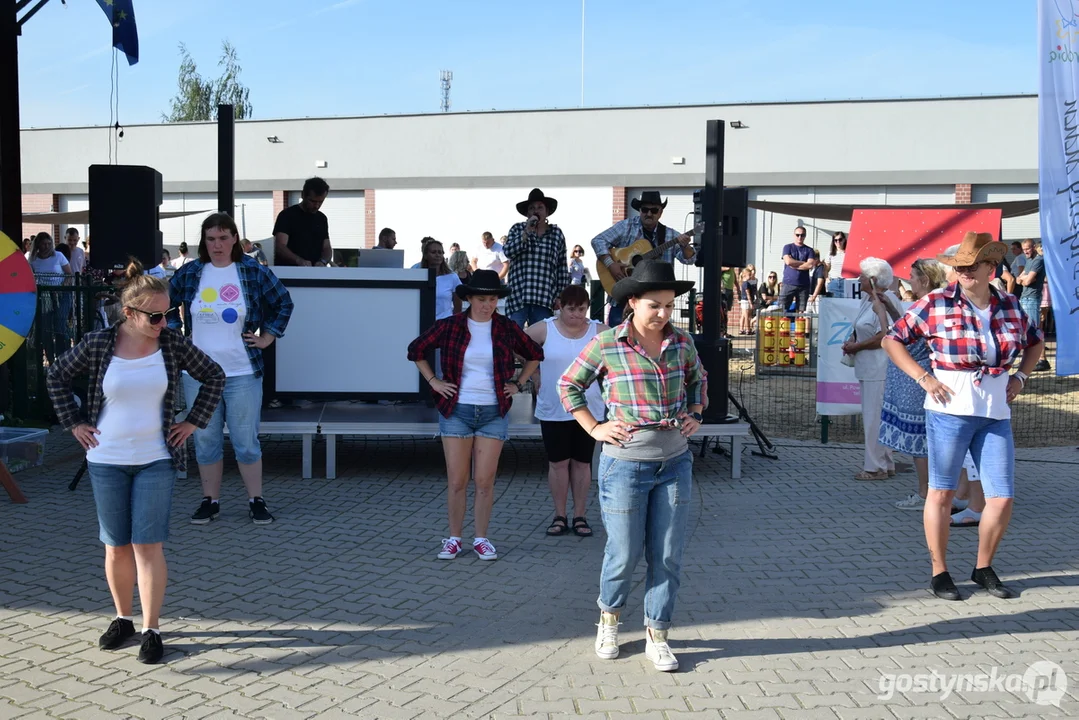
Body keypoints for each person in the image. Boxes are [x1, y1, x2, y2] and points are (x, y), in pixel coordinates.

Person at [46, 259, 225, 664]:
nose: (165, 322)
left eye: (170, 313)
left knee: (148, 545)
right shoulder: (98, 343)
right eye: (156, 316)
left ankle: (151, 627)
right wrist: (73, 423)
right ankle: (122, 618)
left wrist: (193, 422)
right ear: (129, 313)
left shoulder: (172, 344)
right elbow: (55, 375)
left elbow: (214, 376)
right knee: (116, 546)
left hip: (156, 460)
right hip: (105, 460)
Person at [559, 260, 706, 673]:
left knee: (667, 555)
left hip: (675, 463)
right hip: (624, 464)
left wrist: (696, 409)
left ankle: (657, 635)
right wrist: (594, 427)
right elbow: (568, 384)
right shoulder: (607, 343)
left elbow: (700, 379)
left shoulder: (683, 343)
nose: (662, 314)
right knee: (624, 553)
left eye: (668, 306)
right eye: (654, 305)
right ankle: (608, 621)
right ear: (632, 303)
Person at [883, 231, 1044, 601]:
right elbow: (893, 339)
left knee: (1001, 497)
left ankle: (983, 567)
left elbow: (1034, 341)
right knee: (941, 493)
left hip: (994, 413)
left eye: (972, 266)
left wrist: (1020, 376)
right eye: (959, 267)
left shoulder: (1009, 305)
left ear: (991, 267)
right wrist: (923, 377)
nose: (965, 272)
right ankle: (940, 571)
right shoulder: (936, 302)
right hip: (948, 412)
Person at [406, 270, 544, 561]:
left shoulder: (505, 327)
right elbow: (416, 350)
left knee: (485, 481)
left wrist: (519, 384)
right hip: (456, 410)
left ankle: (481, 538)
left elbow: (534, 354)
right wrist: (434, 381)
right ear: (468, 298)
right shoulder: (451, 326)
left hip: (494, 411)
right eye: (482, 299)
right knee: (457, 481)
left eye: (493, 299)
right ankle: (454, 538)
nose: (487, 305)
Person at [170, 212, 294, 526]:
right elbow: (165, 305)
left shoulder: (252, 270)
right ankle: (210, 501)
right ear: (204, 242)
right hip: (199, 374)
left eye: (223, 238)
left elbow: (283, 302)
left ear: (234, 238)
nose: (217, 245)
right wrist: (176, 340)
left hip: (241, 371)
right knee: (206, 439)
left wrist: (268, 337)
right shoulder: (191, 272)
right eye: (211, 239)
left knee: (245, 440)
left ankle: (256, 499)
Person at [526, 285, 608, 539]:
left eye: (582, 309)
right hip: (553, 407)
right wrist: (533, 373)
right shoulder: (544, 328)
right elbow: (516, 344)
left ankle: (580, 514)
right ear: (560, 305)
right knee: (558, 463)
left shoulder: (599, 331)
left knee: (583, 463)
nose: (576, 314)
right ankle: (559, 515)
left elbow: (623, 352)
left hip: (589, 408)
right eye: (571, 309)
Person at [876, 258, 949, 510]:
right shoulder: (932, 304)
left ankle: (925, 493)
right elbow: (909, 330)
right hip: (918, 381)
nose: (910, 281)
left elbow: (900, 339)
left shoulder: (927, 305)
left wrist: (883, 314)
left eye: (913, 277)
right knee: (926, 441)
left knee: (921, 442)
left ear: (925, 279)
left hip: (918, 383)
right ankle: (933, 492)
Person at [591, 191, 696, 326]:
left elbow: (689, 259)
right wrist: (611, 264)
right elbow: (598, 241)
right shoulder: (626, 226)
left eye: (654, 210)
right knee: (617, 340)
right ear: (639, 211)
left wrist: (685, 245)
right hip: (623, 298)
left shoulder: (670, 235)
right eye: (645, 209)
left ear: (660, 213)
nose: (649, 214)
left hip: (656, 302)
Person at [841, 257, 901, 481]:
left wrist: (857, 346)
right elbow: (864, 328)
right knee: (877, 417)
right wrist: (853, 341)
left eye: (863, 275)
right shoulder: (868, 299)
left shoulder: (886, 299)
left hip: (880, 367)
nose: (859, 278)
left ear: (874, 279)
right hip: (870, 367)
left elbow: (885, 336)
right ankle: (885, 462)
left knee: (873, 418)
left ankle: (874, 467)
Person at [504, 189, 571, 328]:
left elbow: (562, 268)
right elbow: (508, 251)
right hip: (518, 297)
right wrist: (527, 231)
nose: (536, 210)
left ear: (547, 212)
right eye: (532, 208)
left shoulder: (556, 234)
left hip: (544, 297)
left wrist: (560, 296)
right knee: (512, 338)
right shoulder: (517, 229)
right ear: (527, 213)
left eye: (540, 207)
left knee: (540, 342)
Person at [29, 232, 73, 364]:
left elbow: (69, 274)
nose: (47, 246)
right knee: (46, 328)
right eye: (44, 244)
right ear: (38, 245)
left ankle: (63, 358)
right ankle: (50, 359)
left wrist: (61, 288)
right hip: (44, 295)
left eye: (49, 243)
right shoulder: (32, 259)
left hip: (61, 294)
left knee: (60, 326)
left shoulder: (58, 256)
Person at [273, 177, 332, 266]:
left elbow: (326, 247)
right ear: (303, 195)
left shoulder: (322, 218)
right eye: (312, 201)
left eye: (320, 202)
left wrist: (323, 261)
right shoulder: (287, 215)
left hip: (314, 272)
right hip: (289, 272)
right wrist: (298, 260)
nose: (316, 206)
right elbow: (280, 246)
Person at [1015, 240, 1051, 372]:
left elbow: (1026, 280)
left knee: (1034, 333)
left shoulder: (1038, 261)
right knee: (1026, 332)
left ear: (1034, 248)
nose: (1025, 251)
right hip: (1025, 298)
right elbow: (1019, 279)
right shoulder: (1029, 261)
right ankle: (1035, 360)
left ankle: (1041, 360)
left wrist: (1025, 280)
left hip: (1032, 299)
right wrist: (1025, 279)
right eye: (1024, 249)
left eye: (1027, 249)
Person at [418, 238, 463, 320]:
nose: (437, 255)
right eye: (433, 252)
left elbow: (458, 305)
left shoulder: (452, 277)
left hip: (445, 325)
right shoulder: (418, 276)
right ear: (425, 255)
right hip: (423, 324)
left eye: (440, 252)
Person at [780, 226, 817, 313]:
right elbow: (788, 261)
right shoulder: (787, 247)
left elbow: (810, 265)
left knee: (801, 312)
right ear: (794, 235)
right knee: (781, 309)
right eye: (797, 235)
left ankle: (798, 327)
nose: (800, 237)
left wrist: (795, 265)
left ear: (805, 236)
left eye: (802, 235)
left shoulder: (809, 250)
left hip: (803, 285)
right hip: (788, 283)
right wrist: (803, 262)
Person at [825, 232, 847, 296]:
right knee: (832, 304)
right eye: (835, 240)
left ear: (844, 240)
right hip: (833, 281)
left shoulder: (848, 253)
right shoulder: (830, 254)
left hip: (845, 282)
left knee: (845, 303)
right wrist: (827, 278)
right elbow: (826, 268)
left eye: (840, 239)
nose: (838, 242)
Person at [738, 266, 758, 335]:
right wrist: (751, 303)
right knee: (746, 316)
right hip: (746, 301)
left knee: (746, 315)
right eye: (749, 274)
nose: (750, 275)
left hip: (746, 300)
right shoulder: (746, 283)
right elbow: (748, 294)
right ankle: (748, 330)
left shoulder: (747, 282)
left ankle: (746, 329)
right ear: (744, 275)